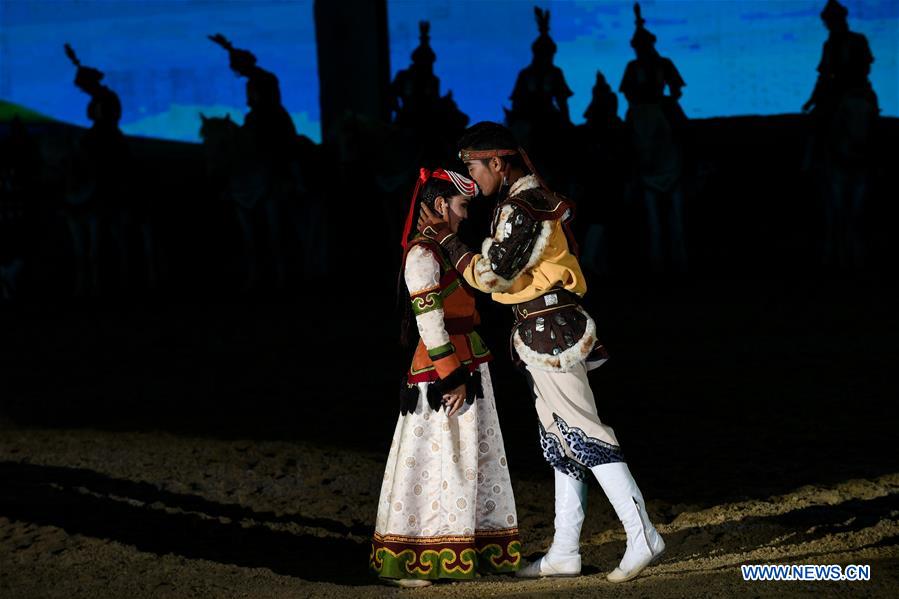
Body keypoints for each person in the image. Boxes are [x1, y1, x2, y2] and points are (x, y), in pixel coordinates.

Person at [417, 122, 665, 583]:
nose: (471, 176)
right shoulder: (520, 203)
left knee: (585, 429)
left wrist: (448, 241)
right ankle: (565, 550)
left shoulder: (524, 205)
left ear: (496, 162)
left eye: (474, 166)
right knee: (561, 439)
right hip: (540, 329)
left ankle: (642, 534)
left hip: (550, 329)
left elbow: (493, 275)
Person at [370, 168, 521, 587]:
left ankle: (466, 547)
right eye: (461, 205)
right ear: (440, 205)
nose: (465, 214)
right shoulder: (423, 255)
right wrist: (451, 377)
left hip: (469, 360)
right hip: (441, 371)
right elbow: (430, 322)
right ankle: (415, 555)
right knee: (434, 460)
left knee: (466, 459)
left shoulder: (444, 249)